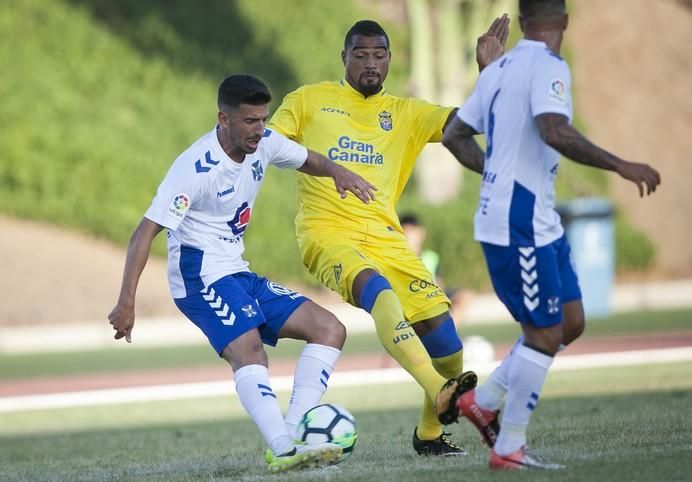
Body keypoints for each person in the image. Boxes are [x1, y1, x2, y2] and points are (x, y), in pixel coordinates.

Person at [107, 74, 377, 473]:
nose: (260, 129)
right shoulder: (195, 168)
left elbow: (308, 158)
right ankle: (283, 450)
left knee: (330, 329)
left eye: (263, 119)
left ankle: (292, 433)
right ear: (223, 118)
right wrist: (126, 301)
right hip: (199, 276)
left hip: (236, 271)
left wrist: (339, 172)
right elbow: (144, 233)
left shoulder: (264, 144)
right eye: (250, 121)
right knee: (249, 348)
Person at [268, 17, 510, 456]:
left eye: (379, 55)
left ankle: (430, 435)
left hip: (386, 237)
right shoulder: (308, 101)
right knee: (379, 294)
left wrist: (489, 71)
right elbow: (268, 144)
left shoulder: (407, 112)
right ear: (344, 57)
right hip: (327, 233)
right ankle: (444, 390)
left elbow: (463, 125)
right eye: (360, 54)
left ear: (390, 60)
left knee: (446, 339)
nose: (370, 63)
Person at [441, 0, 661, 470]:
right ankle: (509, 448)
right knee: (543, 333)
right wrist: (621, 164)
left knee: (570, 321)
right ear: (564, 21)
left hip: (540, 219)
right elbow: (554, 130)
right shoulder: (547, 67)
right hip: (517, 222)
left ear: (521, 23)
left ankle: (485, 400)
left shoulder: (498, 68)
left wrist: (493, 170)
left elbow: (455, 135)